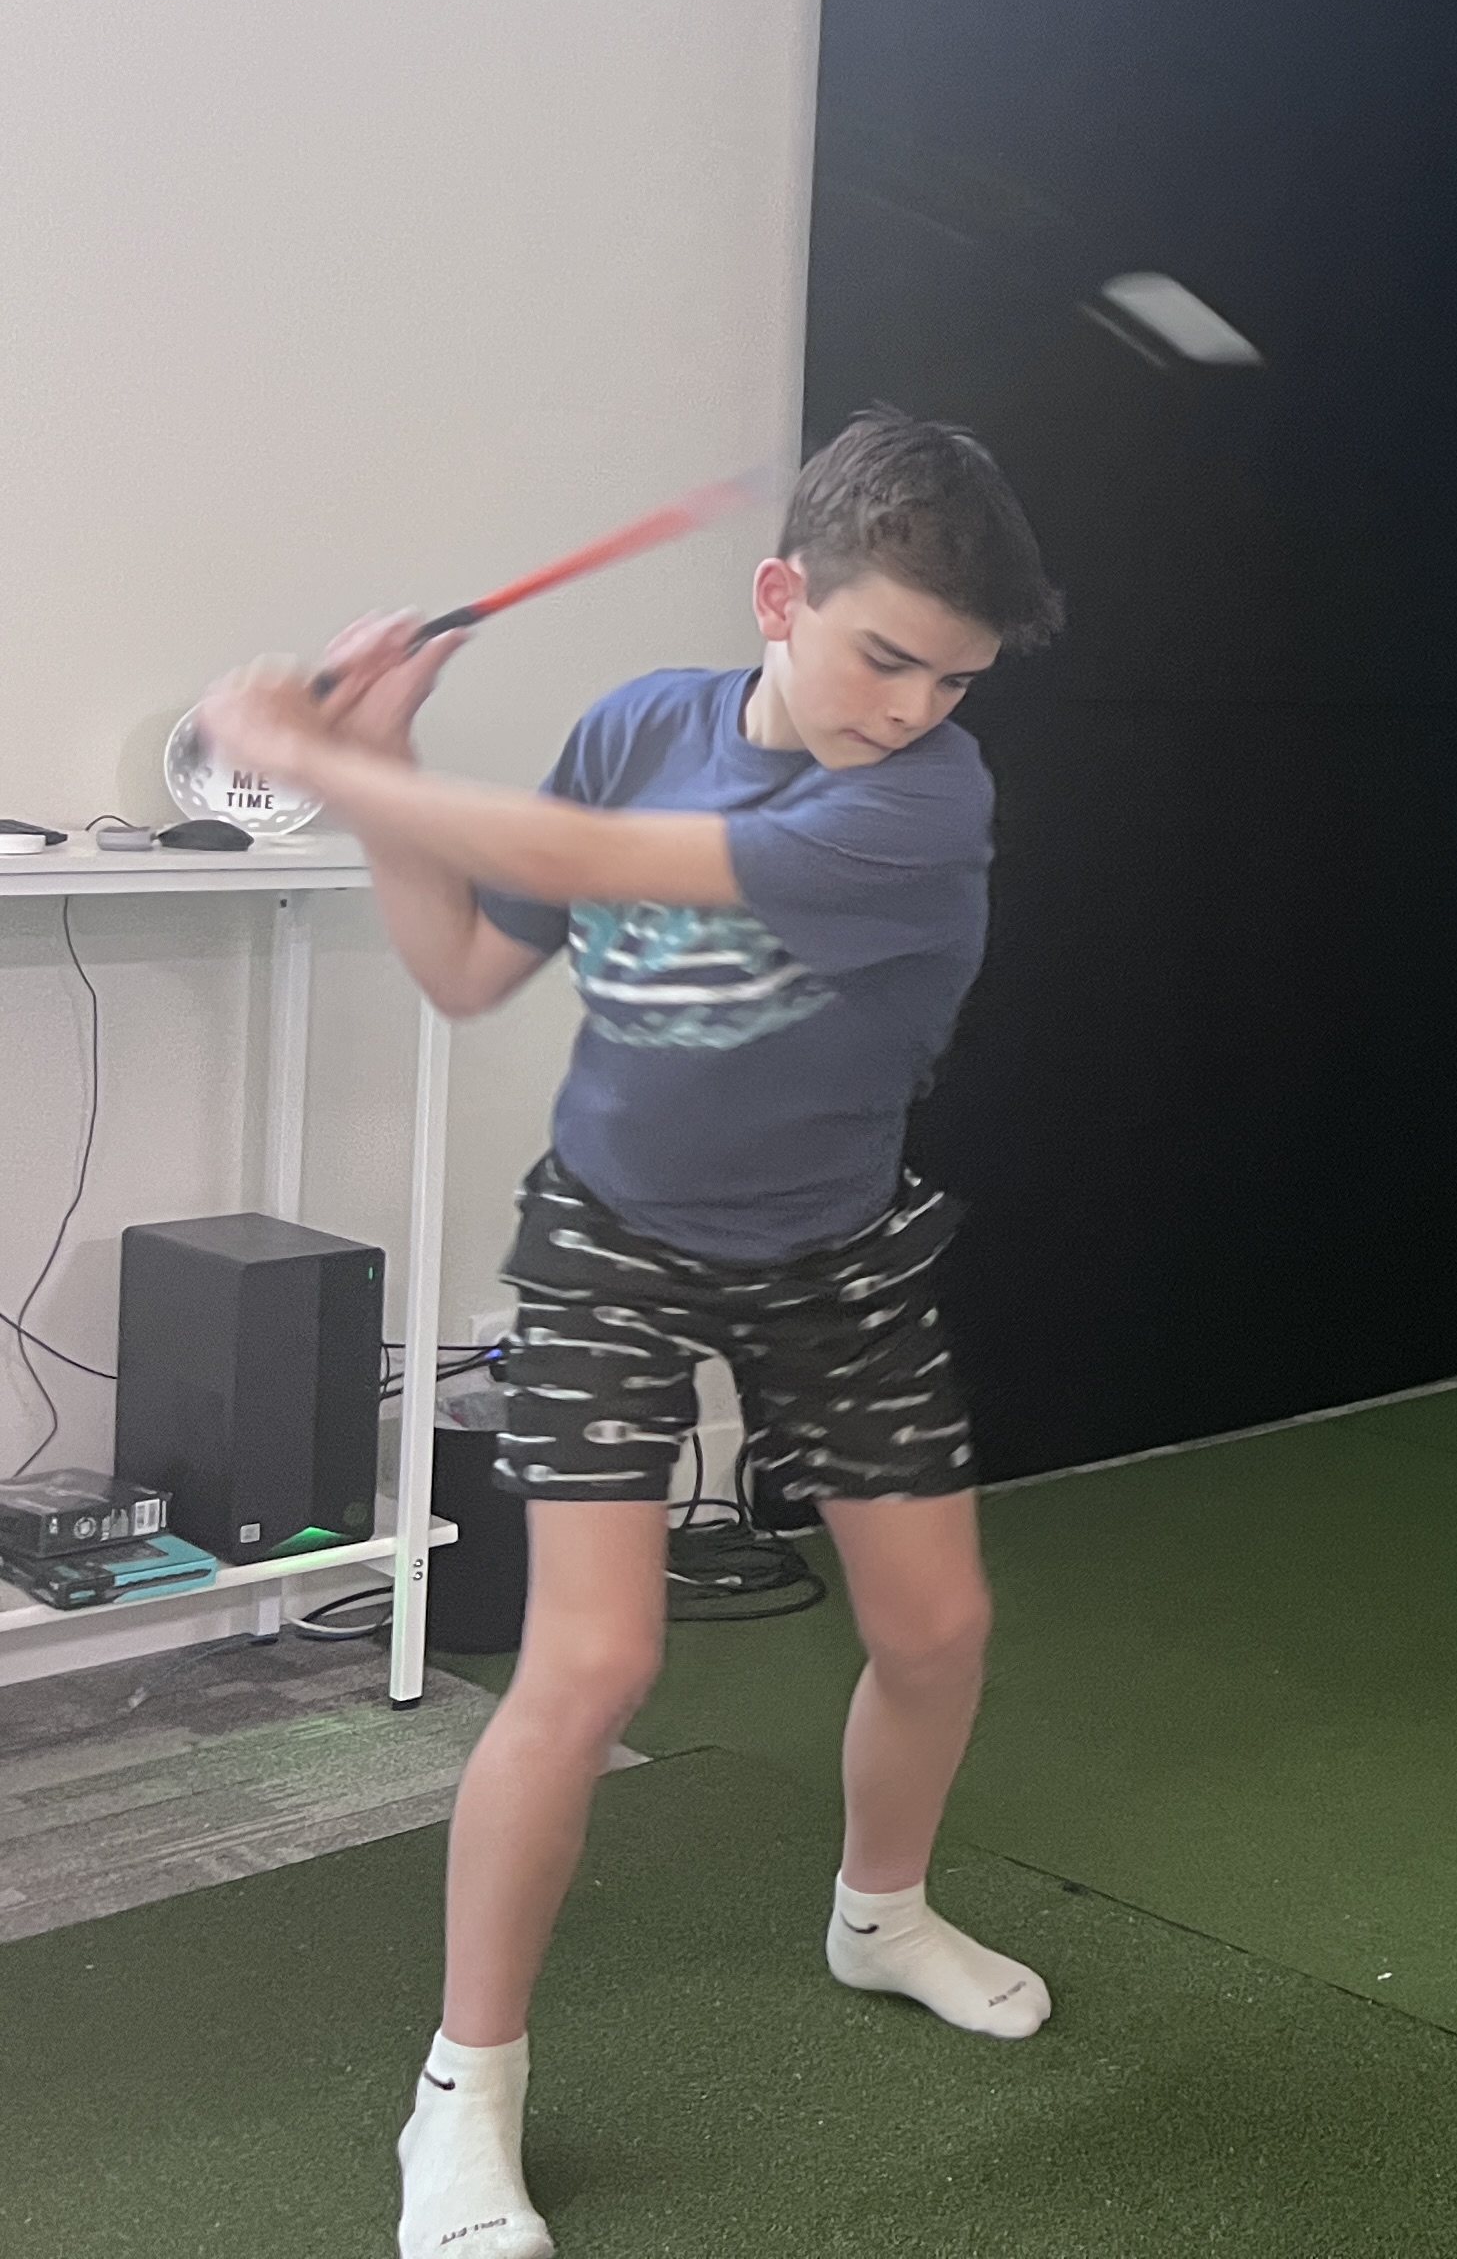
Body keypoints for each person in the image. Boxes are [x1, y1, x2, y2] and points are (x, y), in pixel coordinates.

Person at [192, 408, 1069, 2259]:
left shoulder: (929, 803)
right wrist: (380, 766)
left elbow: (614, 867)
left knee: (937, 1632)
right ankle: (463, 2097)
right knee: (588, 1670)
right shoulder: (638, 725)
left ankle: (881, 1913)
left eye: (953, 678)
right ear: (781, 596)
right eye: (885, 656)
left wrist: (324, 759)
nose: (915, 706)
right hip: (609, 1241)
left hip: (835, 1252)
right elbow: (463, 965)